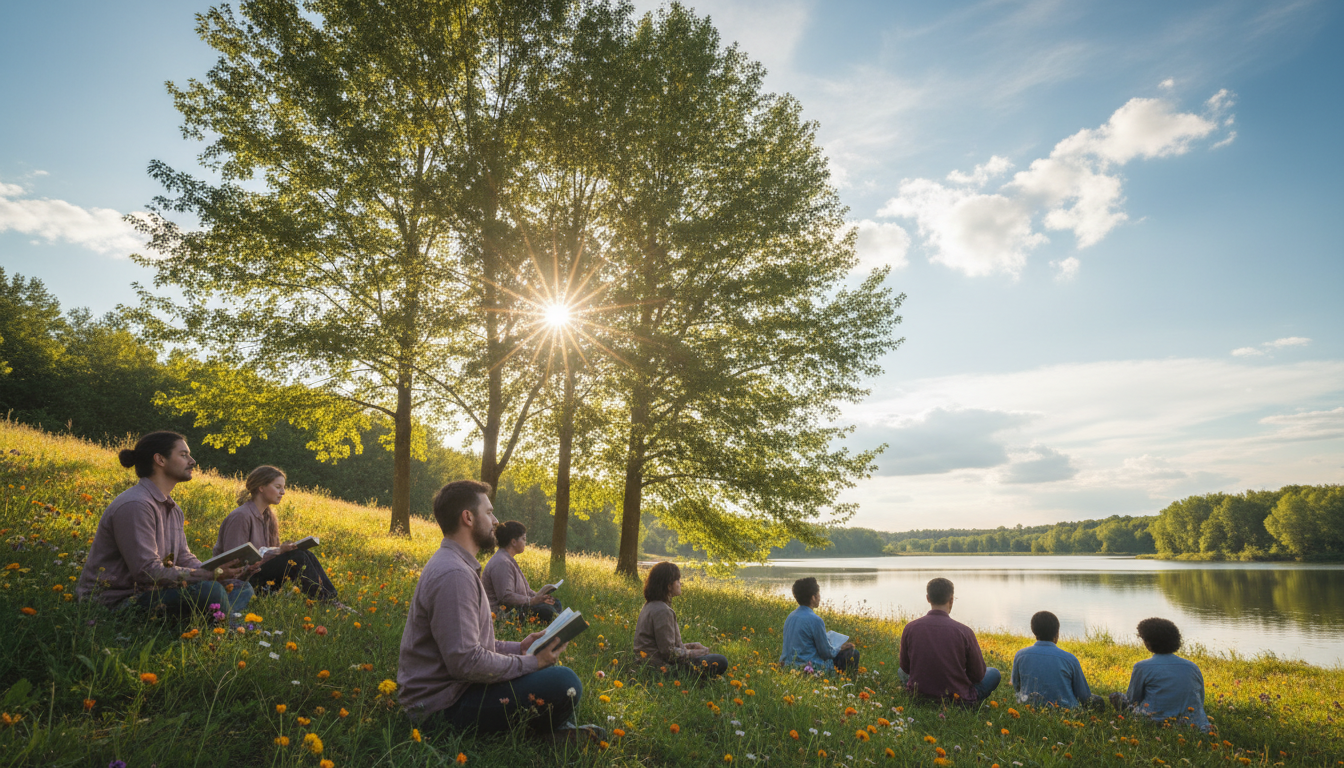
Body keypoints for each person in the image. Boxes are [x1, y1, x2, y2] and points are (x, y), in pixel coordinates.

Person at [398, 480, 601, 743]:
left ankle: (556, 732)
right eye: (489, 512)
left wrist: (520, 647)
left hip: (456, 690)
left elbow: (473, 646)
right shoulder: (454, 575)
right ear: (468, 517)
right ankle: (538, 738)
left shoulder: (458, 566)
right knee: (563, 681)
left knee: (548, 675)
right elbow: (466, 663)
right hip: (441, 705)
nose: (495, 521)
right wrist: (531, 663)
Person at [76, 431, 254, 617]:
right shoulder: (136, 505)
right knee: (210, 591)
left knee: (241, 587)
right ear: (160, 460)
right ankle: (224, 621)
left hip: (155, 593)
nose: (192, 461)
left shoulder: (173, 509)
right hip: (120, 602)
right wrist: (210, 577)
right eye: (184, 455)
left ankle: (217, 617)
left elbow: (183, 557)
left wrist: (220, 572)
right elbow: (146, 572)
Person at [213, 465, 343, 605]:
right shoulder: (241, 516)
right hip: (240, 582)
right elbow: (233, 561)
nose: (283, 492)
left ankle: (330, 599)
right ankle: (326, 602)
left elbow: (273, 558)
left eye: (283, 487)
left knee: (304, 553)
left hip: (262, 577)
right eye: (278, 487)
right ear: (261, 487)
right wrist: (278, 551)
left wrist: (282, 551)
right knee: (297, 557)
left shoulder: (269, 517)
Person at [898, 577, 1000, 705]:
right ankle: (968, 701)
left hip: (919, 693)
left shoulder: (910, 628)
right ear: (951, 599)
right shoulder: (964, 631)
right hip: (957, 697)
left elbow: (905, 667)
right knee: (993, 673)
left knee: (900, 671)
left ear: (928, 598)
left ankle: (923, 694)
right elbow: (978, 675)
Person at [1109, 617, 1210, 731]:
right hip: (1194, 725)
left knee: (1115, 696)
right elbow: (1200, 699)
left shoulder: (1142, 667)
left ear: (1148, 642)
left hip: (1155, 724)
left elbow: (1133, 699)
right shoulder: (1192, 667)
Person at [633, 561, 728, 677]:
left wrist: (690, 646)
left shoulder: (650, 605)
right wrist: (696, 653)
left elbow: (662, 645)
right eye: (677, 581)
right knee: (720, 660)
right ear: (669, 586)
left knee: (709, 658)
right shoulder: (663, 611)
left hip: (648, 663)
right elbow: (669, 654)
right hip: (660, 669)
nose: (680, 583)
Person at [1010, 611, 1104, 709]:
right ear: (1057, 633)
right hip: (1065, 711)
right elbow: (1084, 696)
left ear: (1034, 631)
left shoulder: (1020, 655)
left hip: (1029, 707)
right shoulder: (1070, 659)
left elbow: (1017, 687)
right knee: (1097, 700)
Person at [482, 520, 561, 623]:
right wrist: (532, 601)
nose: (525, 542)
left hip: (518, 608)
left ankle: (557, 627)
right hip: (504, 614)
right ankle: (557, 632)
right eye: (523, 539)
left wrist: (541, 597)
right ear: (513, 542)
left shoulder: (508, 560)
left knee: (555, 603)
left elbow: (526, 591)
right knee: (546, 611)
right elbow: (506, 597)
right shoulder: (501, 563)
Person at [780, 577, 859, 675]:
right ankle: (846, 682)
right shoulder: (815, 620)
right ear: (813, 597)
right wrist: (839, 647)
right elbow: (826, 653)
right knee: (853, 653)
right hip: (808, 667)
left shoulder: (791, 616)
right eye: (818, 594)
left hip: (787, 665)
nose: (819, 597)